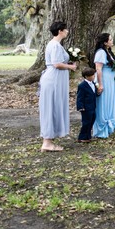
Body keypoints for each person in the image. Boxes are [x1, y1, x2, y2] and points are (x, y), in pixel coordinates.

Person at [38, 21, 77, 152]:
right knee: (50, 107)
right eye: (66, 29)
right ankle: (47, 142)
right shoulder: (54, 45)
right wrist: (71, 67)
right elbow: (56, 63)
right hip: (53, 79)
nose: (67, 31)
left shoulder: (56, 45)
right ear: (60, 30)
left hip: (56, 79)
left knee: (54, 107)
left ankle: (49, 140)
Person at [92, 33, 115, 138]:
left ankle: (109, 126)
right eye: (110, 39)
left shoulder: (109, 52)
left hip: (111, 81)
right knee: (104, 103)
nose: (112, 41)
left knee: (110, 102)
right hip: (104, 80)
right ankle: (101, 129)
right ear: (105, 42)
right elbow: (98, 69)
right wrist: (100, 84)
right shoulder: (101, 52)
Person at [76, 67, 98, 143]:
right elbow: (80, 97)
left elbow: (94, 93)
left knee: (92, 120)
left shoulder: (93, 84)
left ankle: (88, 136)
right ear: (87, 76)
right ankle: (82, 137)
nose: (94, 76)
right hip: (86, 107)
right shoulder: (82, 86)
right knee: (86, 122)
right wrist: (80, 107)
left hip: (92, 106)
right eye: (92, 75)